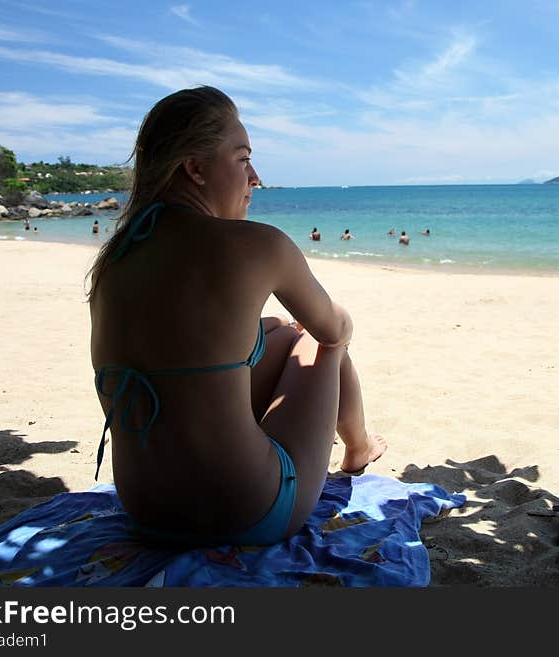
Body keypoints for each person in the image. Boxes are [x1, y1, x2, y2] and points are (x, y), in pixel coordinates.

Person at [86, 86, 386, 547]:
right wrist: (327, 324)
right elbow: (335, 328)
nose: (256, 178)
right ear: (195, 168)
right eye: (243, 159)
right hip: (244, 511)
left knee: (279, 332)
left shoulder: (115, 258)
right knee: (317, 343)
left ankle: (344, 432)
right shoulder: (258, 245)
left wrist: (276, 330)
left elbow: (186, 344)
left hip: (145, 510)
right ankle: (358, 448)